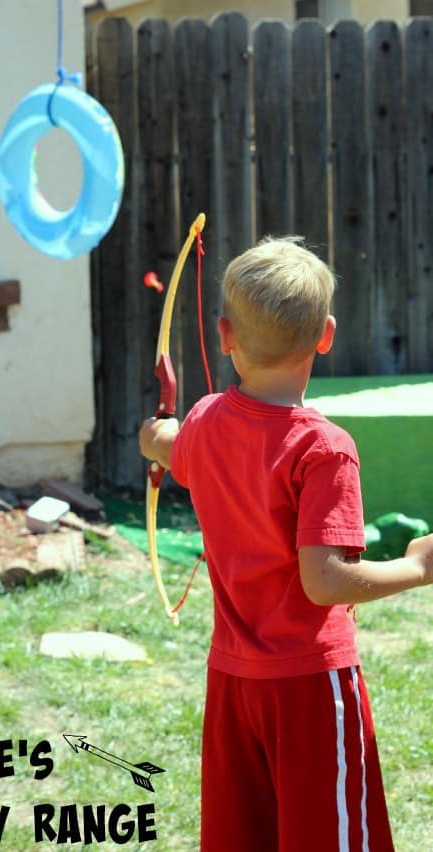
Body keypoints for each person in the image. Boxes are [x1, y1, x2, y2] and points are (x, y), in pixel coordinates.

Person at [139, 236, 433, 852]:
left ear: (224, 335)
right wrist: (417, 567)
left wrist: (154, 434)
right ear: (325, 335)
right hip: (309, 688)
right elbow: (323, 580)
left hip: (234, 685)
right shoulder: (324, 448)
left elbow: (170, 445)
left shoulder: (204, 423)